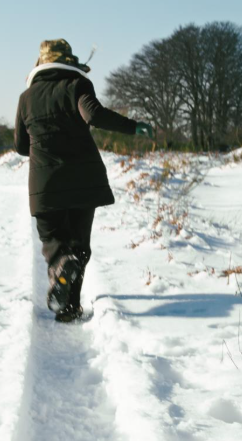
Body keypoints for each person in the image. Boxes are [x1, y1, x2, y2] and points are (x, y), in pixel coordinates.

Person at [15, 39, 152, 322]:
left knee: (53, 241)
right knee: (79, 244)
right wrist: (133, 126)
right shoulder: (78, 85)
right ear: (69, 61)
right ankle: (70, 307)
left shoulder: (26, 98)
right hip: (83, 178)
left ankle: (62, 278)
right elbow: (95, 115)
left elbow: (19, 145)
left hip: (45, 183)